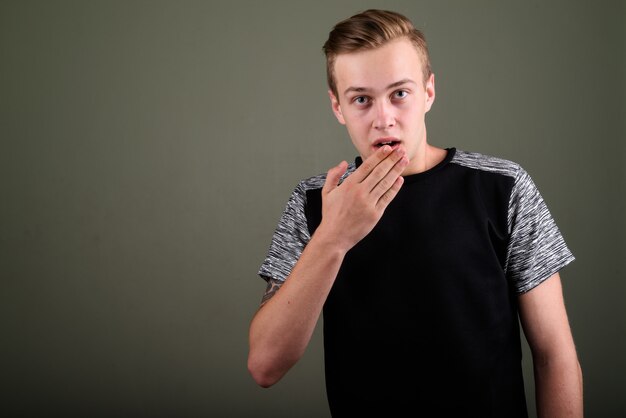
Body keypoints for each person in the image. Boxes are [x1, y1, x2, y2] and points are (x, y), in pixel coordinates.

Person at [248, 9, 583, 417]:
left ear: (428, 92)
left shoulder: (504, 187)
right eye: (361, 100)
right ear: (338, 107)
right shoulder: (314, 201)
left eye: (400, 94)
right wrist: (333, 236)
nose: (383, 118)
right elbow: (265, 365)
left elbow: (554, 355)